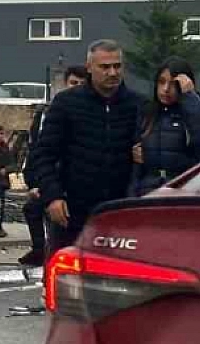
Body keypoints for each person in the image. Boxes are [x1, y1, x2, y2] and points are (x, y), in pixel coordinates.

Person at [28, 40, 144, 256]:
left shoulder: (137, 105)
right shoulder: (66, 103)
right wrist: (52, 196)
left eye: (117, 66)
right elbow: (43, 154)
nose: (112, 72)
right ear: (89, 67)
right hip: (73, 209)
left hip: (121, 209)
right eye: (105, 66)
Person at [18, 65, 86, 267]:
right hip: (48, 181)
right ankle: (39, 250)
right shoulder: (46, 114)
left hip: (71, 186)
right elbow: (38, 150)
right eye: (74, 83)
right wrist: (35, 183)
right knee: (34, 210)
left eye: (82, 84)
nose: (77, 88)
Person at [132, 57, 200, 196]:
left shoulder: (191, 112)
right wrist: (133, 193)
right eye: (161, 82)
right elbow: (136, 164)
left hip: (183, 193)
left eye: (173, 84)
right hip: (148, 192)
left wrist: (190, 99)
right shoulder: (147, 114)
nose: (166, 89)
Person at [0, 126, 15, 238]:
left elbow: (12, 164)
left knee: (0, 205)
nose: (0, 136)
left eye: (1, 133)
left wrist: (6, 169)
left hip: (2, 182)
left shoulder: (5, 147)